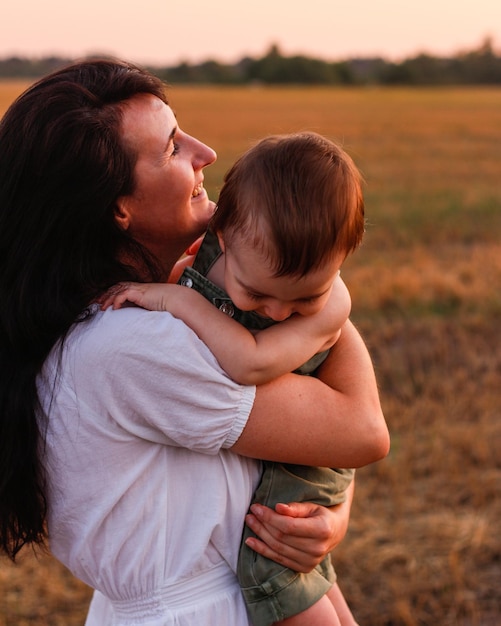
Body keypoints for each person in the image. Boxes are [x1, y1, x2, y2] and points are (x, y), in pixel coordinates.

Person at [0, 59, 389, 626]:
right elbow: (360, 432)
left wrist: (328, 518)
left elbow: (282, 464)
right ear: (117, 208)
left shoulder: (131, 314)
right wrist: (326, 305)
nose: (205, 153)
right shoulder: (136, 345)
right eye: (172, 147)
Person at [102, 132, 366, 626]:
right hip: (287, 444)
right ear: (223, 235)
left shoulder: (329, 304)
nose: (281, 311)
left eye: (304, 299)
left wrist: (174, 300)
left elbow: (249, 363)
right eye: (257, 294)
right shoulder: (234, 241)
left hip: (304, 462)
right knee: (309, 575)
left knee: (275, 569)